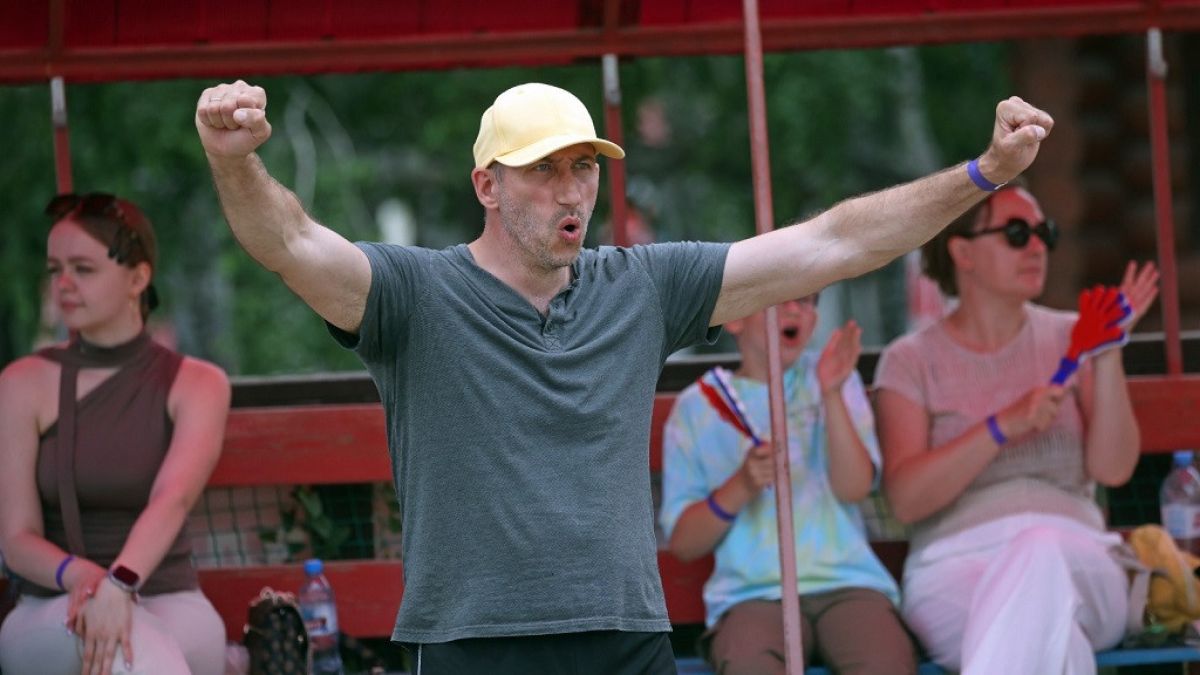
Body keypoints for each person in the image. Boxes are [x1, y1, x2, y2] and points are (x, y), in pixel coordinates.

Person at [194, 78, 1052, 673]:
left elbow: (834, 242)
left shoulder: (643, 285)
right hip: (470, 640)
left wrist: (983, 174)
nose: (571, 191)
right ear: (487, 185)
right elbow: (290, 242)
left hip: (626, 636)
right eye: (544, 169)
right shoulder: (414, 294)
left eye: (584, 167)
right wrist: (233, 161)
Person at [873, 183, 1160, 674]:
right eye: (1016, 233)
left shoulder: (1073, 335)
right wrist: (1002, 426)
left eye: (1044, 233)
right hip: (953, 566)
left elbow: (1113, 469)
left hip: (1078, 555)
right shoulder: (910, 361)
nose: (1037, 247)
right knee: (1052, 641)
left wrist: (1108, 353)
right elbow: (906, 501)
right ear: (962, 252)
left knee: (1038, 549)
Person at [0, 193, 230, 675]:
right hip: (51, 605)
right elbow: (17, 538)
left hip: (171, 600)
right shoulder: (21, 384)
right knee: (132, 650)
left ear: (138, 278)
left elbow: (172, 498)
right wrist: (81, 576)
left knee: (135, 645)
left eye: (83, 269)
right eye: (55, 270)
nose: (63, 285)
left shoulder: (198, 384)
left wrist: (119, 585)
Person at [660, 296, 915, 674]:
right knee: (750, 664)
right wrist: (742, 485)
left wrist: (831, 393)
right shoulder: (698, 408)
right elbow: (684, 543)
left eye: (808, 300)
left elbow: (854, 488)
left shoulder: (835, 377)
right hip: (752, 593)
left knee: (884, 662)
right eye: (780, 298)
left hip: (846, 582)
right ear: (735, 318)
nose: (796, 310)